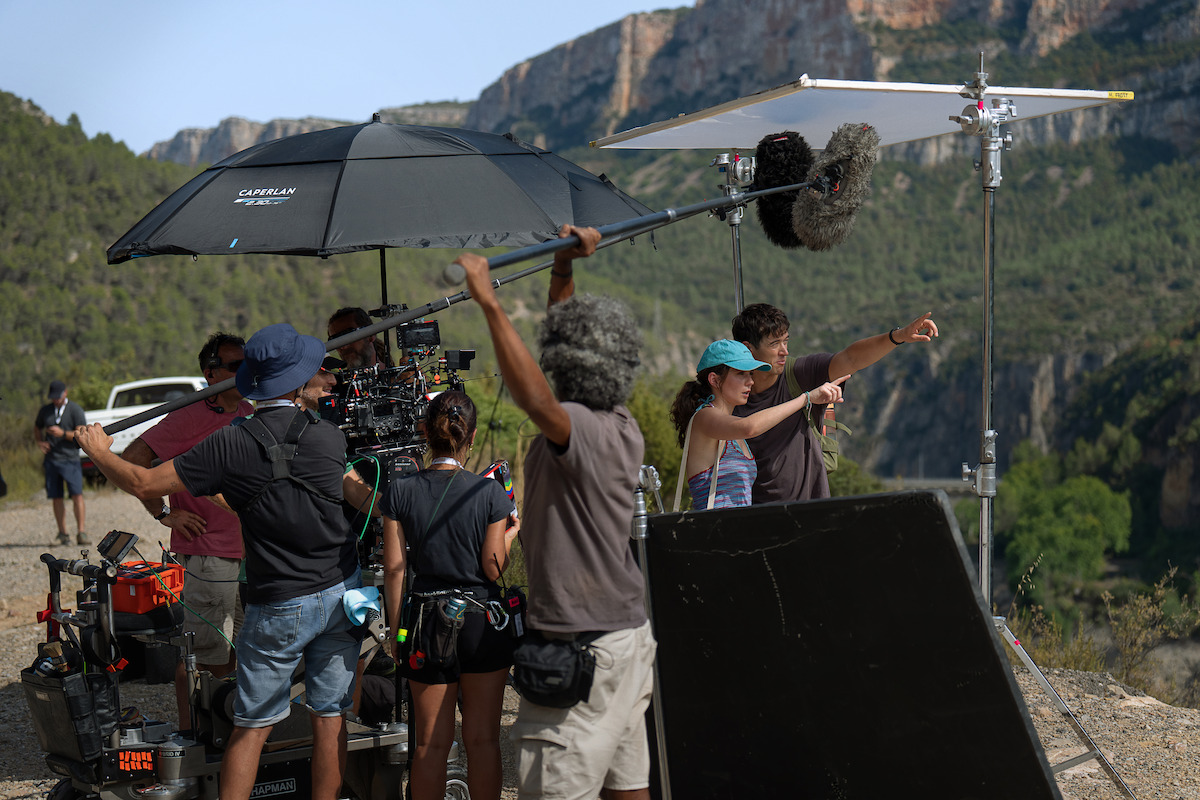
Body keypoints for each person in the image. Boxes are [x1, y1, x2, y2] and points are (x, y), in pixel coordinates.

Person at [76, 323, 367, 800]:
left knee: (252, 726)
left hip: (279, 601)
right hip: (338, 593)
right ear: (296, 381)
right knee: (330, 716)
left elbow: (143, 482)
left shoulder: (229, 443)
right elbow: (355, 495)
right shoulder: (330, 438)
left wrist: (97, 452)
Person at [457, 224, 655, 800]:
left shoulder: (580, 428)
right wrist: (562, 269)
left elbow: (535, 395)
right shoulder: (619, 421)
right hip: (626, 640)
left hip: (580, 649)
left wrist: (490, 303)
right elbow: (561, 357)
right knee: (629, 789)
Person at [380, 390, 518, 800]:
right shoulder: (490, 494)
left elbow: (395, 569)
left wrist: (396, 632)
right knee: (483, 741)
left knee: (429, 744)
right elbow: (493, 567)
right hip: (480, 623)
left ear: (425, 432)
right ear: (471, 436)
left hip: (425, 625)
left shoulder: (400, 491)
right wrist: (511, 534)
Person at [121, 332, 253, 730]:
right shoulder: (189, 415)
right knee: (203, 655)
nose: (245, 371)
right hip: (209, 554)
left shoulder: (248, 410)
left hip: (248, 554)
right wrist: (163, 513)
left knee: (242, 651)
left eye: (248, 363)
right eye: (235, 365)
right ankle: (191, 733)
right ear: (211, 374)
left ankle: (227, 730)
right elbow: (133, 460)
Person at [731, 303, 939, 503]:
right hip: (749, 515)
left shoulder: (800, 375)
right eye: (774, 344)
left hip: (808, 513)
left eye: (785, 341)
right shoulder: (728, 394)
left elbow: (850, 359)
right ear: (748, 348)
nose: (784, 351)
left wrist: (898, 336)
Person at [669, 340, 848, 510]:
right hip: (713, 530)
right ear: (714, 380)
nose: (750, 382)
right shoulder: (704, 416)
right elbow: (749, 428)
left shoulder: (731, 426)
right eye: (741, 374)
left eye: (751, 374)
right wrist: (806, 398)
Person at [34, 380, 88, 545]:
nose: (55, 400)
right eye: (53, 397)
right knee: (56, 497)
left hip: (70, 459)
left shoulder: (75, 410)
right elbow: (37, 427)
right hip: (52, 460)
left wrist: (62, 433)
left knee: (77, 495)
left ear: (65, 393)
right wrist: (40, 442)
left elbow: (81, 433)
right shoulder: (45, 410)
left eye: (58, 396)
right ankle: (62, 533)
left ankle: (81, 532)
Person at [328, 306, 392, 369]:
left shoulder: (395, 375)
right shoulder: (332, 375)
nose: (343, 346)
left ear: (371, 335)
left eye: (349, 335)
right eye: (335, 340)